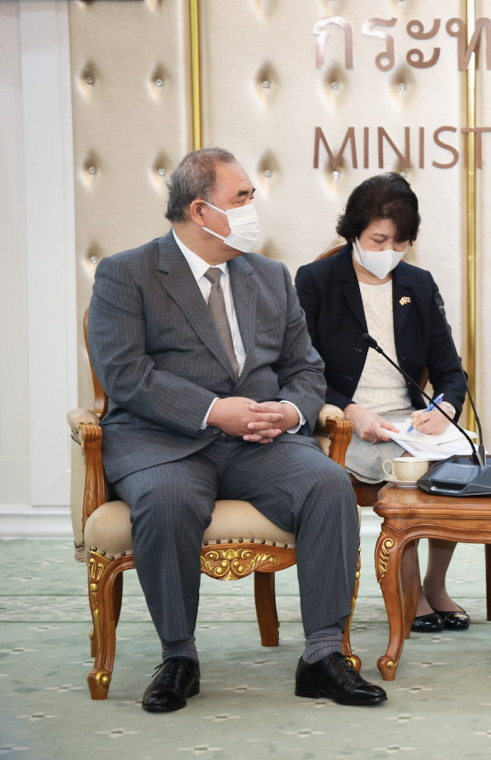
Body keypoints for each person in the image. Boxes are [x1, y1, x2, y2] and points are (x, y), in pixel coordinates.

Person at [86, 148, 385, 712]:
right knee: (168, 500)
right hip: (163, 442)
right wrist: (213, 409)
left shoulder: (269, 276)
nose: (252, 207)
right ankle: (179, 657)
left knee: (328, 484)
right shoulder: (127, 273)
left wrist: (290, 412)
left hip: (260, 443)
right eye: (241, 197)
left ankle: (323, 656)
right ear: (200, 211)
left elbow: (306, 370)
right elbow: (125, 374)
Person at [295, 173, 470, 634]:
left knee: (461, 466)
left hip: (408, 421)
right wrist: (350, 410)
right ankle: (410, 597)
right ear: (353, 231)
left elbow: (451, 372)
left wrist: (445, 409)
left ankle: (434, 585)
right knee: (406, 478)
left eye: (401, 242)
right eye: (379, 240)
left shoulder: (419, 283)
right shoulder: (316, 281)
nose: (390, 250)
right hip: (343, 420)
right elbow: (299, 369)